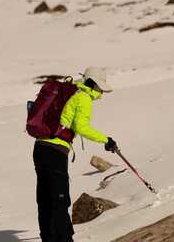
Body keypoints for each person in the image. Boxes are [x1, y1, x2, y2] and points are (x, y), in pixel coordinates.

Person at [33, 67, 117, 242]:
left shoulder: (74, 93)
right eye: (101, 88)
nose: (102, 92)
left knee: (45, 198)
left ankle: (48, 239)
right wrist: (106, 140)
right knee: (60, 199)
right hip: (55, 151)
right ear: (95, 84)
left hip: (40, 148)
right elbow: (81, 127)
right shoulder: (83, 98)